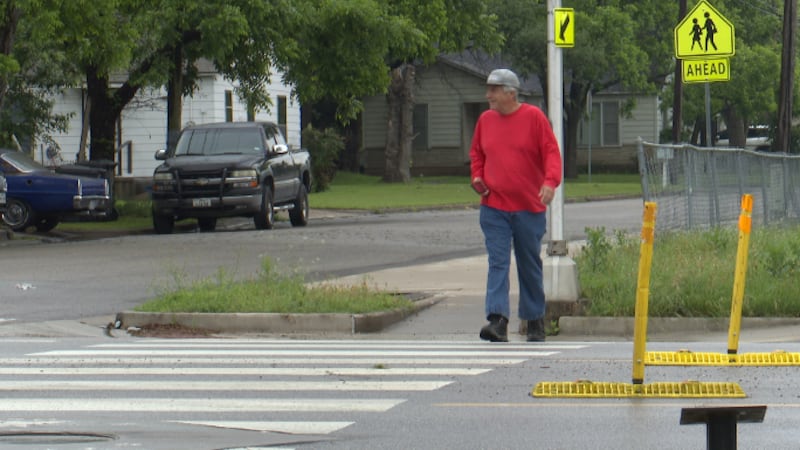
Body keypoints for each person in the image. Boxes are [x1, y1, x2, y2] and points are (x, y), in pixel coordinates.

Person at [469, 68, 562, 342]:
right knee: (497, 262)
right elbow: (477, 153)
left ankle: (534, 319)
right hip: (494, 206)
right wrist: (477, 175)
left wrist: (550, 182)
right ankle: (497, 321)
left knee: (528, 263)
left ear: (511, 93)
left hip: (528, 207)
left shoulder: (534, 118)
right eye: (488, 90)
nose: (488, 96)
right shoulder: (485, 120)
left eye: (494, 90)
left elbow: (551, 153)